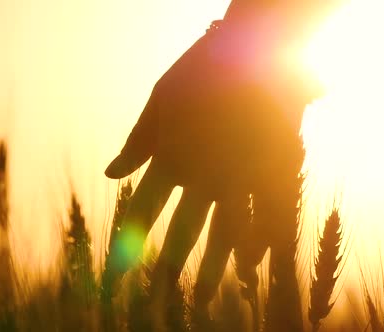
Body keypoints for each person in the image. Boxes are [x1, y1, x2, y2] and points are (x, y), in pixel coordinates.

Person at [102, 0, 329, 330]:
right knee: (206, 216)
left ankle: (117, 296)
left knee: (182, 205)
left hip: (262, 84)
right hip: (262, 86)